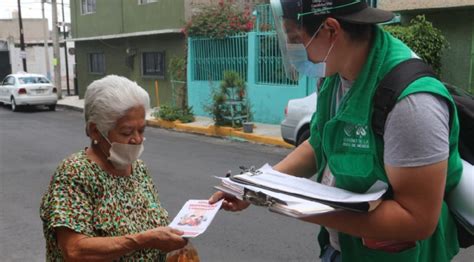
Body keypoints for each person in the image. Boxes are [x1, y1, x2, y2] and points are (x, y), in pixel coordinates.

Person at [210, 1, 462, 261]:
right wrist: (255, 187)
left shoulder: (412, 103)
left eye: (296, 37)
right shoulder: (334, 74)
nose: (293, 49)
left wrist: (294, 206)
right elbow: (319, 142)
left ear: (331, 30)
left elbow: (417, 220)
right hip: (341, 248)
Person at [40, 75, 187, 261]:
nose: (137, 140)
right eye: (126, 132)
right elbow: (75, 250)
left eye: (141, 130)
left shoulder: (138, 169)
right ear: (95, 131)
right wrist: (143, 240)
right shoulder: (75, 174)